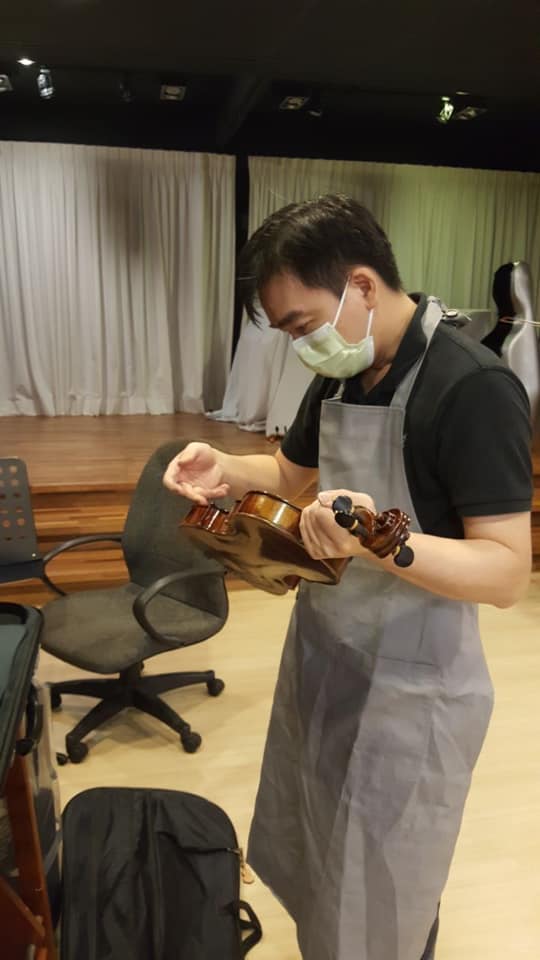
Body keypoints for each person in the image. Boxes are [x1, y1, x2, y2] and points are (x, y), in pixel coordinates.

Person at [163, 195, 532, 960]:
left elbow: (505, 571)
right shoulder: (344, 371)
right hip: (328, 655)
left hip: (414, 685)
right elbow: (290, 474)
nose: (303, 346)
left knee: (387, 888)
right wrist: (223, 466)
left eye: (303, 325)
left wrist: (376, 541)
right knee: (321, 853)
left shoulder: (471, 387)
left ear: (360, 284)